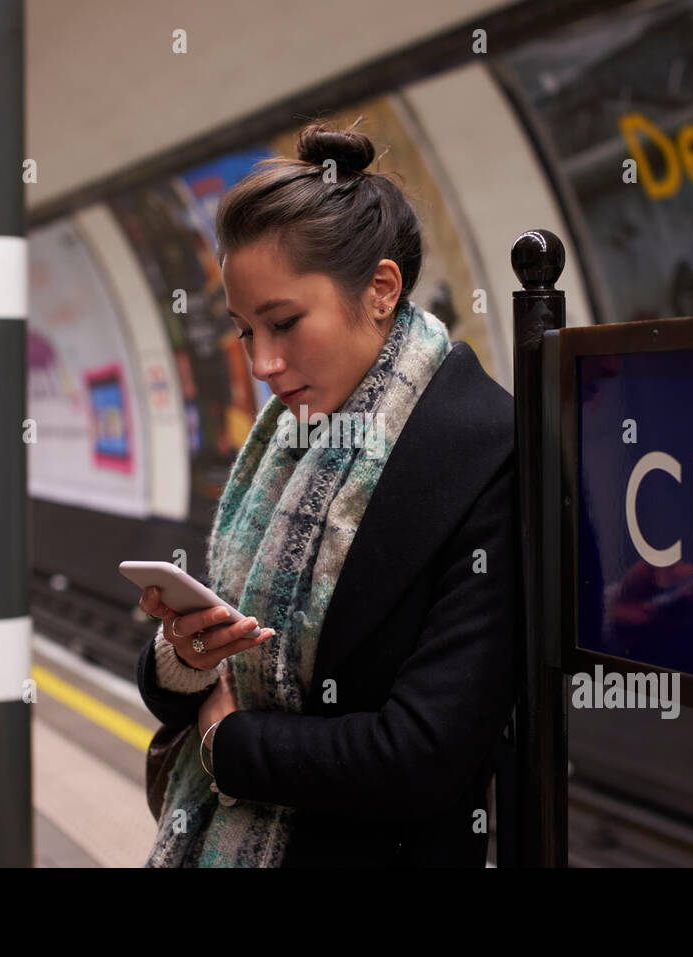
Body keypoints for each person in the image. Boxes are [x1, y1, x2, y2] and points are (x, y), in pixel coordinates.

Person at [135, 117, 517, 867]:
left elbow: (426, 750)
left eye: (284, 323)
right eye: (245, 331)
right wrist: (183, 656)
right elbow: (215, 659)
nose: (264, 366)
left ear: (380, 289)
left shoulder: (483, 450)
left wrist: (228, 743)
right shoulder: (284, 441)